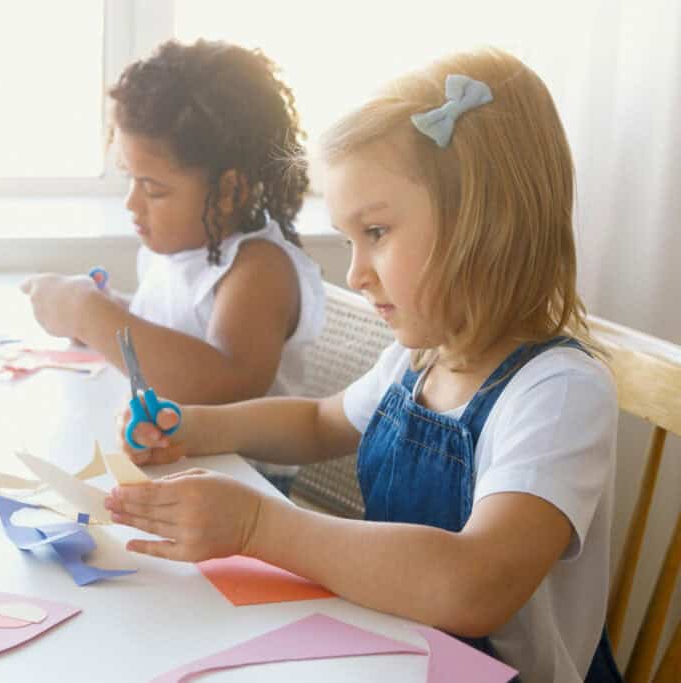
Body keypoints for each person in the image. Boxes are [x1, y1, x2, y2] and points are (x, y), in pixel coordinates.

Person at [105, 47, 622, 683]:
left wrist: (257, 523)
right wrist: (198, 427)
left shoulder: (559, 393)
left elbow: (473, 584)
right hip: (391, 649)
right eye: (350, 240)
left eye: (375, 232)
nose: (355, 272)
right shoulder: (421, 357)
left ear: (485, 225)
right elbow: (321, 423)